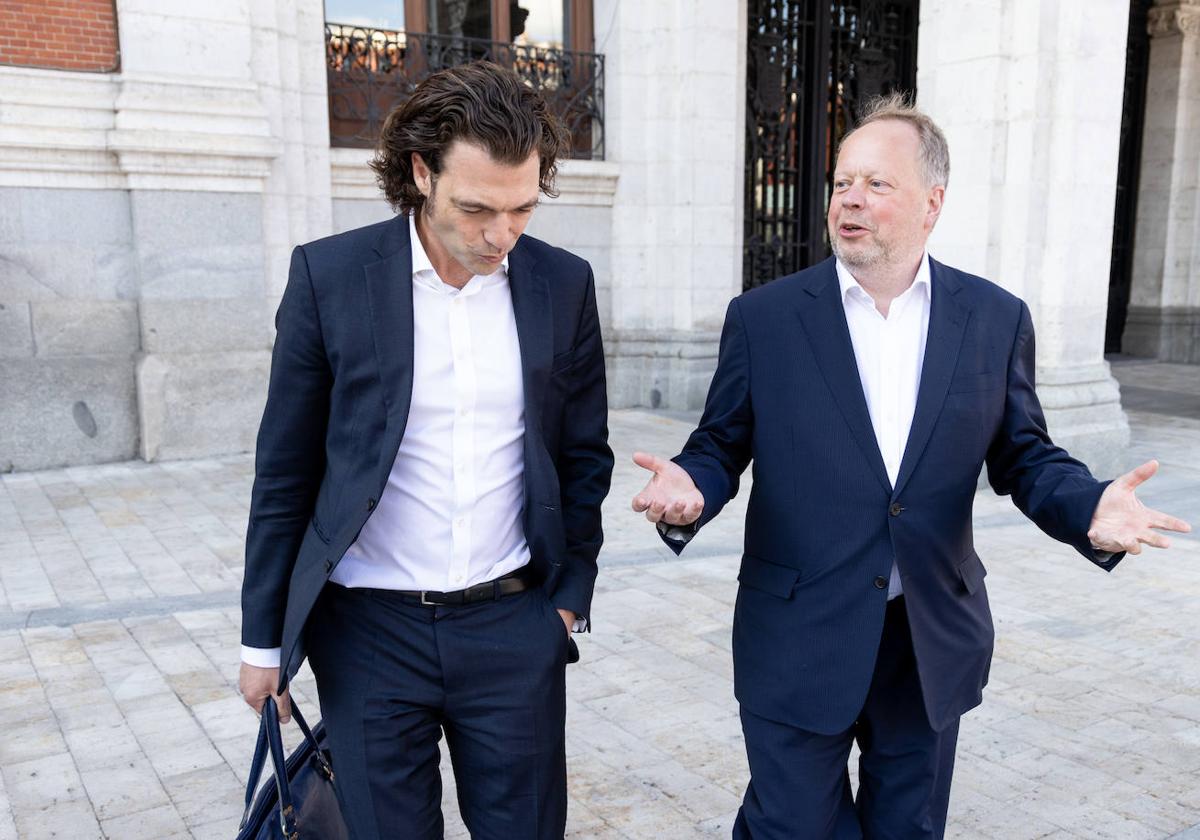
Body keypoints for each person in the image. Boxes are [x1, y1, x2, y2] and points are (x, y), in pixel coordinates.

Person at [631, 94, 1191, 839]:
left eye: (876, 184)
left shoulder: (994, 318)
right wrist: (691, 486)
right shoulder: (764, 318)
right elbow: (720, 444)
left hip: (927, 634)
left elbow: (1024, 454)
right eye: (841, 183)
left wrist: (1087, 505)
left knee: (908, 830)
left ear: (932, 202)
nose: (850, 200)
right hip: (799, 630)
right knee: (789, 826)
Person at [238, 61, 613, 840]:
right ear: (421, 172)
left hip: (513, 627)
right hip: (368, 633)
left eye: (520, 209)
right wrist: (264, 639)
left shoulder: (563, 284)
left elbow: (583, 454)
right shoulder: (330, 278)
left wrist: (568, 598)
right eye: (477, 209)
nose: (501, 234)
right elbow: (285, 471)